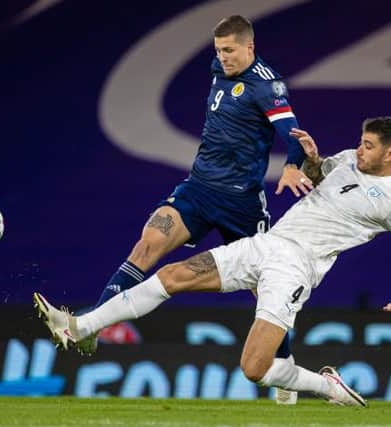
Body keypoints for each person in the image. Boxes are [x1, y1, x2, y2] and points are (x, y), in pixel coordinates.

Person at [35, 116, 391, 406]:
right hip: (266, 244)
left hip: (295, 267)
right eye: (360, 142)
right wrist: (311, 158)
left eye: (369, 147)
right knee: (173, 275)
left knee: (254, 368)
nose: (360, 150)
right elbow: (316, 175)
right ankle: (79, 325)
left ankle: (327, 387)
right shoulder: (346, 160)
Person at [75, 15, 312, 404]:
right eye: (219, 50)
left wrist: (291, 165)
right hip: (198, 190)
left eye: (231, 51)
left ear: (250, 47)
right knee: (147, 244)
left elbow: (296, 136)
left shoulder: (268, 86)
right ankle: (92, 325)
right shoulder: (218, 67)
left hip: (241, 202)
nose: (223, 58)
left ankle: (283, 368)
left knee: (264, 289)